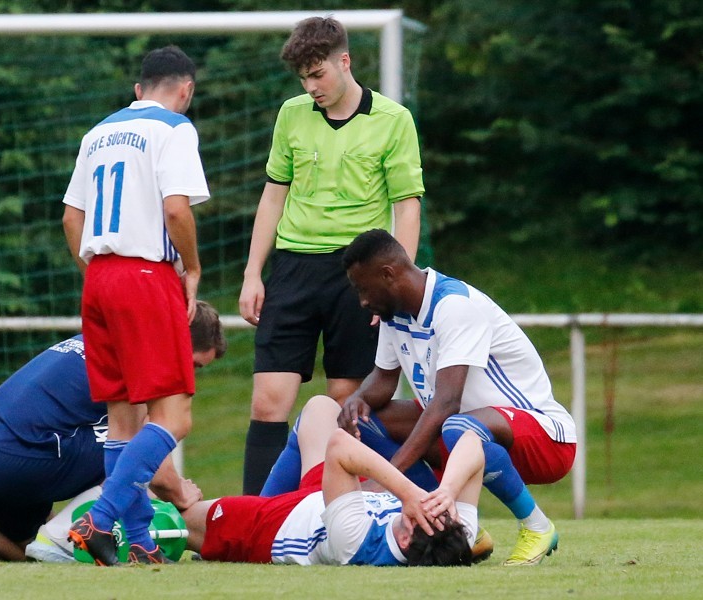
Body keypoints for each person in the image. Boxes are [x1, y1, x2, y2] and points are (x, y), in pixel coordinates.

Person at [237, 16, 425, 495]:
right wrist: (253, 273)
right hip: (295, 268)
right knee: (268, 401)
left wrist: (396, 287)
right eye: (303, 77)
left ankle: (348, 516)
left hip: (359, 275)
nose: (310, 86)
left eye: (317, 74)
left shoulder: (394, 119)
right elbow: (273, 196)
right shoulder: (291, 114)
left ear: (345, 61)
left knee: (348, 402)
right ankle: (259, 520)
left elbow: (407, 207)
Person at [0, 301, 226, 562]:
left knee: (25, 548)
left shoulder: (96, 339)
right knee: (127, 451)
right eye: (193, 364)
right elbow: (150, 464)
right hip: (23, 460)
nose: (190, 377)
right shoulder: (141, 358)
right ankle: (68, 534)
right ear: (177, 340)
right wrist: (182, 494)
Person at [338, 228, 576, 566]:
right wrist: (358, 399)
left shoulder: (455, 306)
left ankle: (536, 525)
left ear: (388, 274)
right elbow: (383, 379)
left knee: (459, 426)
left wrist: (387, 477)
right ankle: (453, 525)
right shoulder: (394, 314)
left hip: (544, 438)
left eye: (363, 288)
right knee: (370, 422)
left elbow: (446, 402)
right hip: (465, 434)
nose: (362, 301)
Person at [60, 45, 210, 566]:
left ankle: (141, 539)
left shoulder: (98, 132)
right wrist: (191, 269)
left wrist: (101, 276)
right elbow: (176, 210)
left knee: (123, 420)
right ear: (185, 90)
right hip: (146, 275)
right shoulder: (174, 129)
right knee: (175, 416)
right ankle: (98, 520)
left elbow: (70, 220)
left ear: (137, 90)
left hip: (98, 277)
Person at [181, 394, 475, 567]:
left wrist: (409, 493)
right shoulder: (456, 534)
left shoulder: (356, 541)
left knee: (181, 517)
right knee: (322, 407)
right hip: (338, 493)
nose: (428, 504)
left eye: (422, 512)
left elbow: (339, 445)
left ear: (405, 538)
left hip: (283, 525)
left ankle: (142, 461)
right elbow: (472, 442)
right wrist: (447, 490)